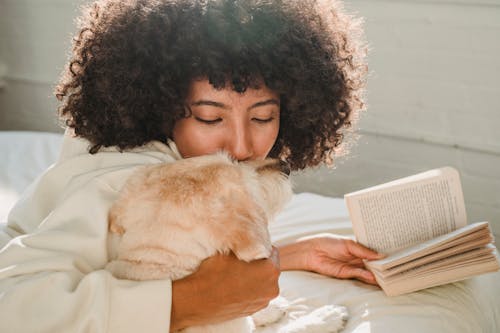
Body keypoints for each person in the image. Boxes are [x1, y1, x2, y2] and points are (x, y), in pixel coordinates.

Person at [0, 0, 383, 332]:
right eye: (209, 118)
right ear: (160, 107)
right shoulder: (123, 180)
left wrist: (294, 255)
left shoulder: (187, 173)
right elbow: (12, 304)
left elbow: (146, 256)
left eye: (263, 117)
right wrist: (184, 303)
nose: (241, 146)